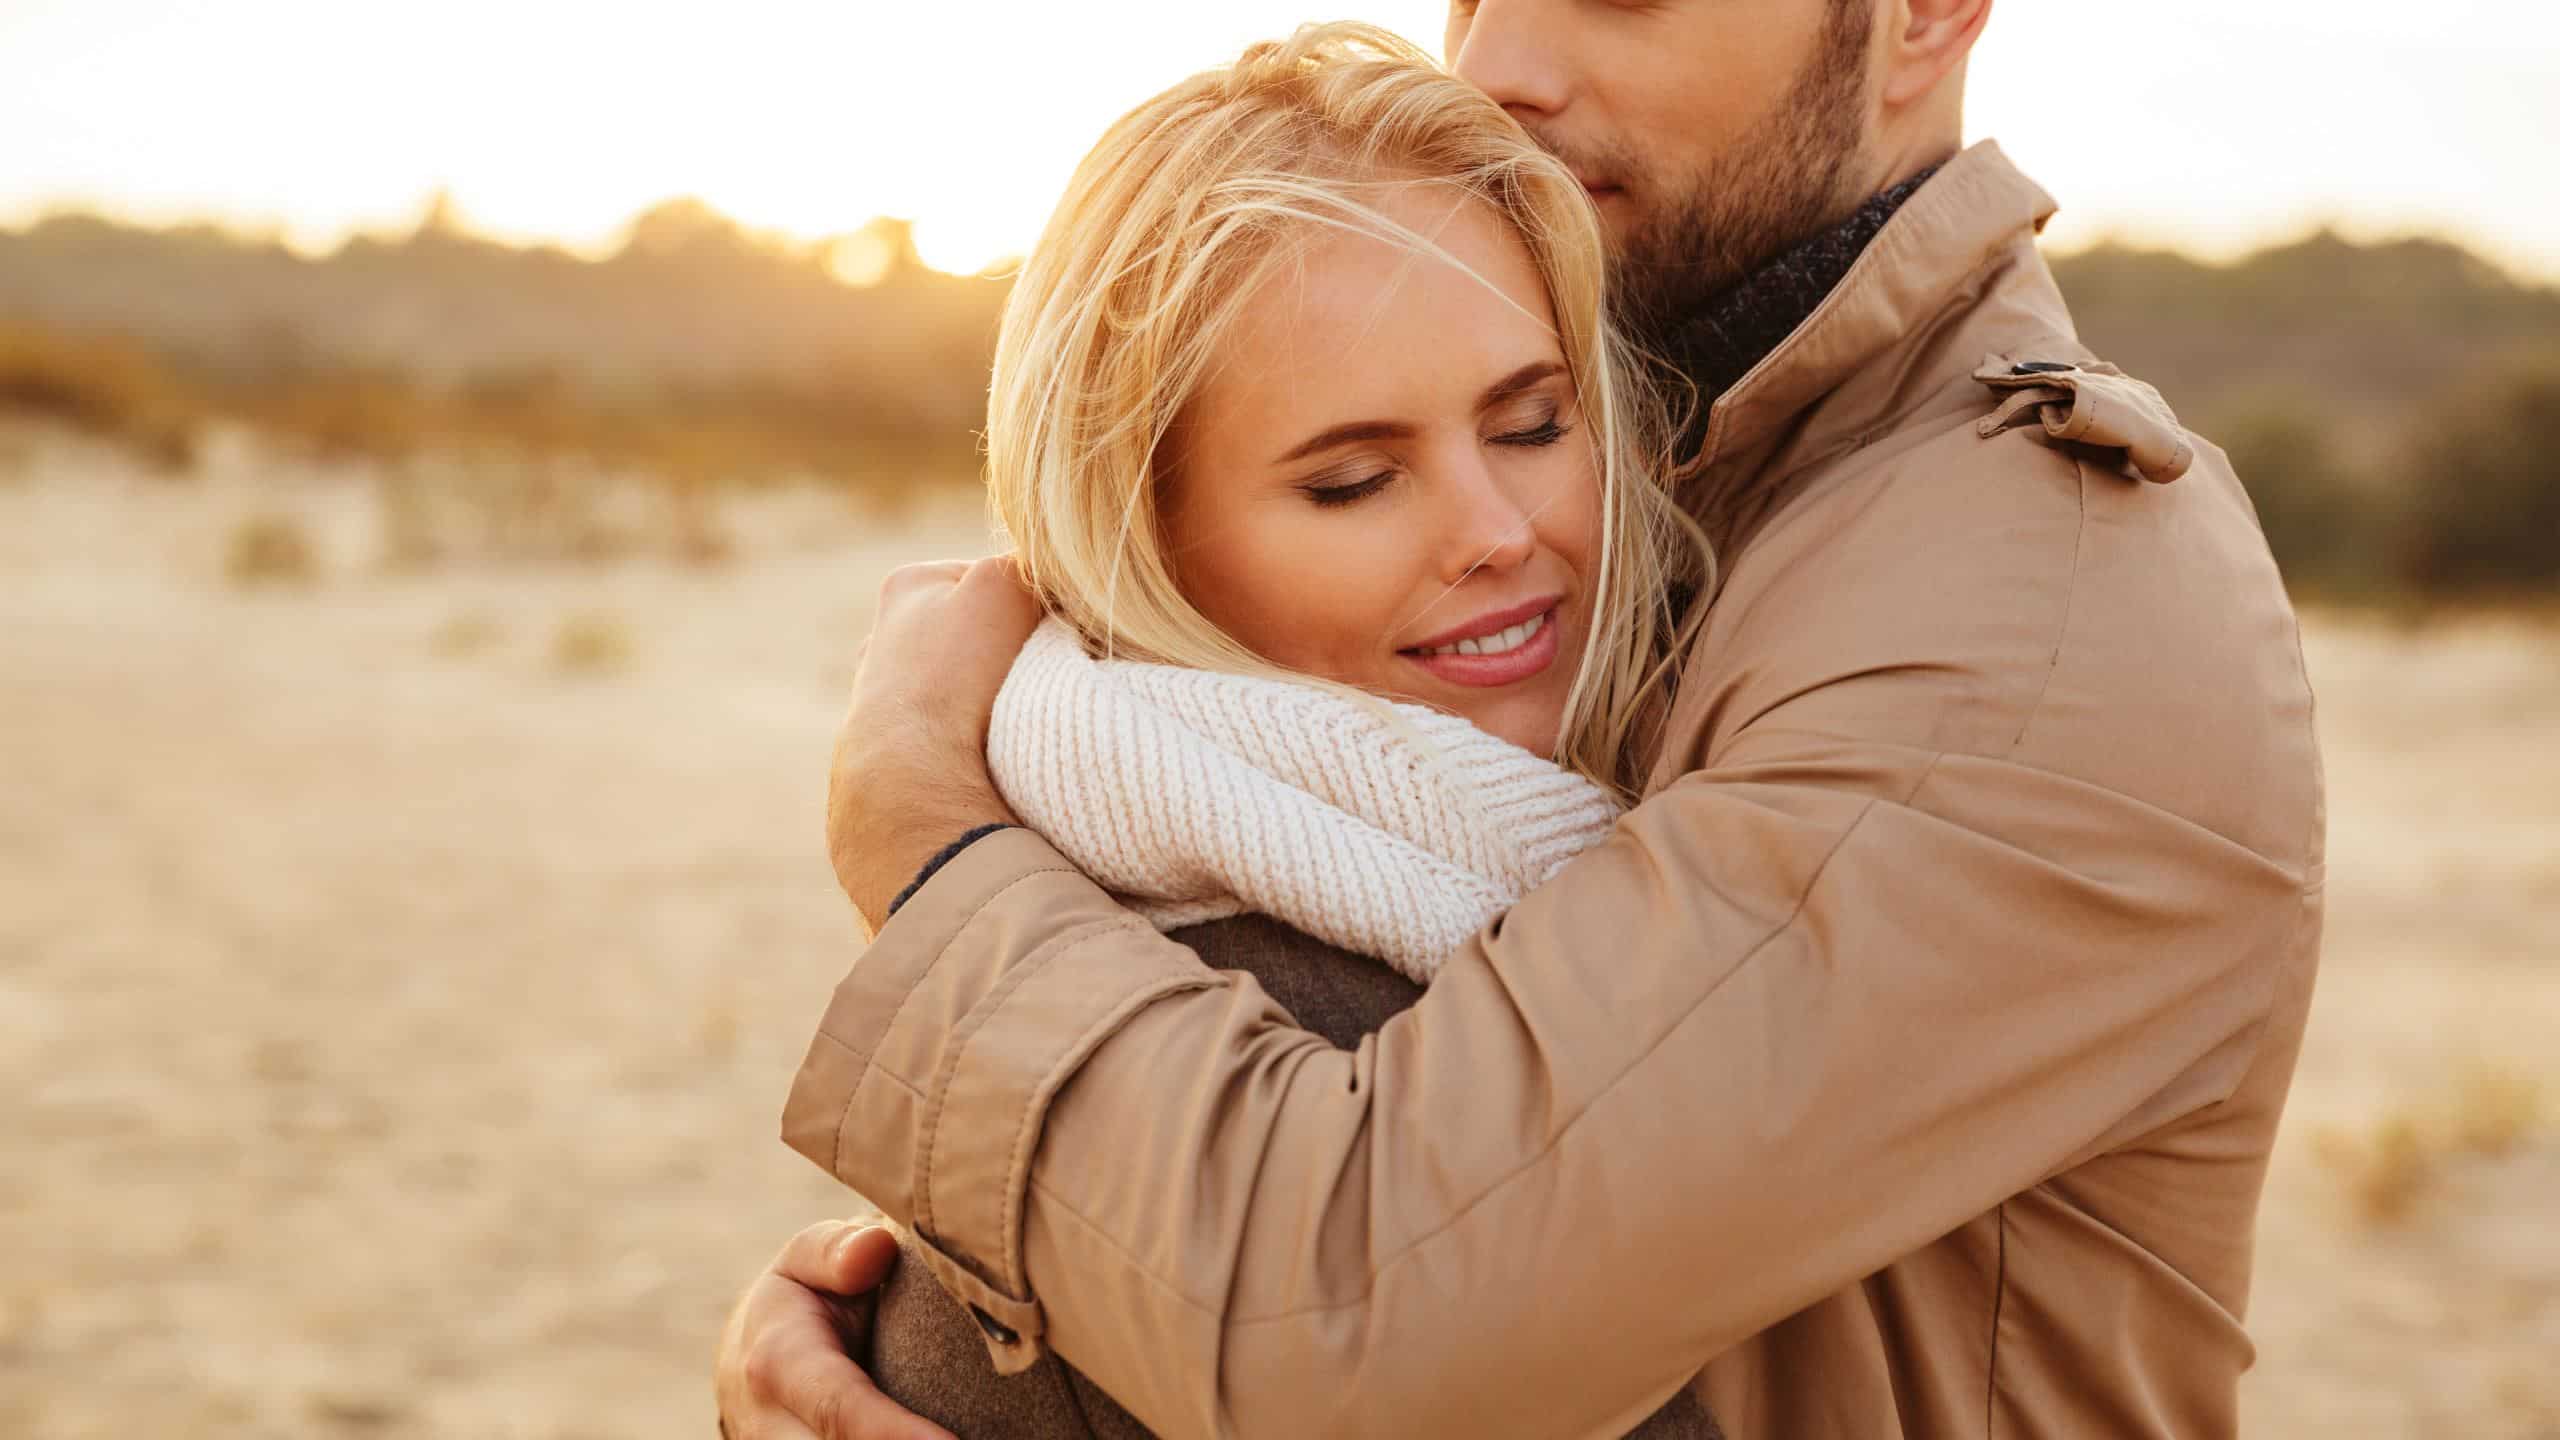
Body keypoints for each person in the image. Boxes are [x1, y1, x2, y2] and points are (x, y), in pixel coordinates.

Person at [724, 0, 2326, 1435]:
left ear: (1921, 14)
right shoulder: (1698, 490)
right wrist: (945, 1327)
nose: (1495, 60)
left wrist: (927, 837)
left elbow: (1366, 1318)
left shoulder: (2026, 592)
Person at [759, 24, 1718, 1438]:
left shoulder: (1684, 783)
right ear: (1143, 538)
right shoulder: (1210, 1072)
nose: (1499, 534)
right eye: (1352, 480)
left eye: (1530, 425)